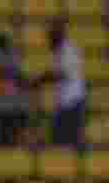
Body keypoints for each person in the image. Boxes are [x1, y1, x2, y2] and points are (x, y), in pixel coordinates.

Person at [35, 19, 87, 148]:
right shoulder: (58, 52)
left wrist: (40, 79)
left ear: (58, 35)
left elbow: (61, 74)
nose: (48, 38)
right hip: (65, 103)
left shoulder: (68, 50)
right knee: (59, 142)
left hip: (73, 103)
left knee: (68, 142)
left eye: (51, 35)